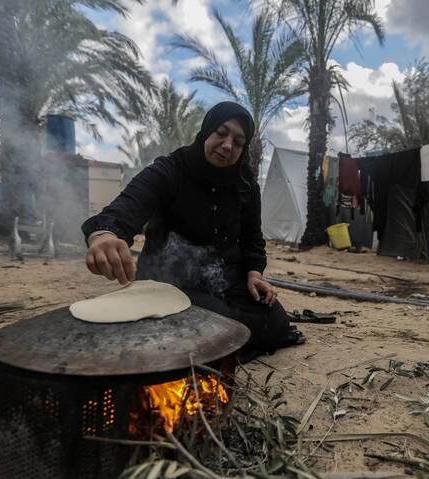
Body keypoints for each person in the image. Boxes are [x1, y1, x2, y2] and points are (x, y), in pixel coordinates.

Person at [81, 101, 303, 353]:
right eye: (221, 133)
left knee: (275, 320)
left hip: (225, 283)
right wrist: (105, 234)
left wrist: (254, 274)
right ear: (207, 131)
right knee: (214, 321)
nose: (228, 145)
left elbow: (252, 238)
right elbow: (130, 203)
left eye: (238, 142)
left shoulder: (245, 185)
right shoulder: (170, 170)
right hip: (168, 284)